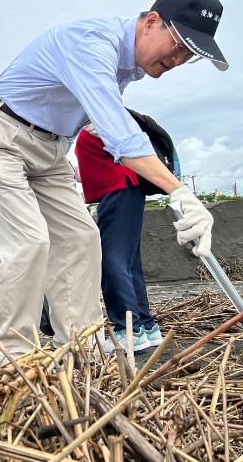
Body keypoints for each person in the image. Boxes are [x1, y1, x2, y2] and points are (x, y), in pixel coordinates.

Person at [0, 0, 227, 366]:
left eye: (189, 55)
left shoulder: (127, 66)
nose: (179, 58)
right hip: (1, 134)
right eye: (179, 44)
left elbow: (88, 115)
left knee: (82, 238)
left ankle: (80, 343)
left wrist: (63, 145)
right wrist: (181, 194)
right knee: (30, 242)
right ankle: (11, 354)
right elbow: (122, 135)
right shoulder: (91, 44)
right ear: (151, 21)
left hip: (50, 148)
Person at [75, 114, 175, 353]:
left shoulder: (101, 120)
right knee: (128, 262)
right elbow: (100, 162)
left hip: (119, 191)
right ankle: (146, 328)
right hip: (122, 191)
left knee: (112, 262)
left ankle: (127, 331)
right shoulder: (93, 125)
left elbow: (126, 150)